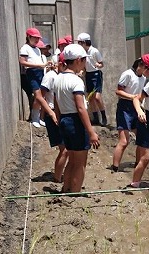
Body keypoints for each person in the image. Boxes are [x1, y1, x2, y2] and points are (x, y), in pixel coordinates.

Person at [52, 44, 100, 193]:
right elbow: (81, 108)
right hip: (75, 122)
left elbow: (56, 104)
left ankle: (66, 188)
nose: (85, 63)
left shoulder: (58, 78)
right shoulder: (76, 81)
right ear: (79, 60)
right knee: (80, 163)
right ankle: (75, 192)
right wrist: (91, 132)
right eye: (85, 60)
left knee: (71, 160)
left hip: (65, 121)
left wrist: (60, 121)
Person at [110, 54, 149, 172]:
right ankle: (115, 167)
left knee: (141, 138)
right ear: (142, 66)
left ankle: (138, 164)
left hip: (136, 107)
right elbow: (118, 91)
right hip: (124, 107)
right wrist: (132, 97)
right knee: (124, 141)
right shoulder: (128, 74)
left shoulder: (142, 78)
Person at [35, 52, 68, 183]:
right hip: (54, 114)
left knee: (67, 149)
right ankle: (57, 178)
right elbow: (39, 96)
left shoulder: (62, 77)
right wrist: (50, 112)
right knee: (64, 149)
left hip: (61, 113)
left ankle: (61, 176)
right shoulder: (50, 77)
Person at [19, 28, 51, 128]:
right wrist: (37, 66)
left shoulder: (37, 49)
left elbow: (39, 62)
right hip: (32, 72)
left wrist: (45, 65)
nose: (37, 40)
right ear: (29, 37)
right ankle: (35, 118)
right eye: (35, 38)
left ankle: (38, 118)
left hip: (40, 72)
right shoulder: (25, 48)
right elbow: (22, 62)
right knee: (38, 96)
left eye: (38, 38)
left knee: (41, 96)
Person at [76, 33, 107, 126]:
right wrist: (82, 71)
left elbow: (102, 64)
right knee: (90, 98)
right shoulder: (82, 53)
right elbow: (85, 66)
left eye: (80, 42)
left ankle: (104, 117)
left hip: (96, 74)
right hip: (88, 75)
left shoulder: (94, 51)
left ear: (84, 42)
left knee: (97, 97)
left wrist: (98, 65)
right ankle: (96, 118)